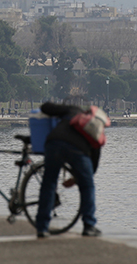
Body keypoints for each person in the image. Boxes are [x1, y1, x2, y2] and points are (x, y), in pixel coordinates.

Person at [33, 101, 102, 238]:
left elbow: (46, 107)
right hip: (78, 150)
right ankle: (88, 226)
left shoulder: (73, 109)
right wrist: (76, 178)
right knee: (87, 186)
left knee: (49, 183)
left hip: (55, 143)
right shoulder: (96, 126)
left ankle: (42, 228)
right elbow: (93, 164)